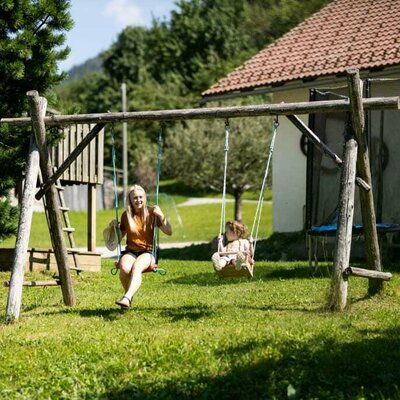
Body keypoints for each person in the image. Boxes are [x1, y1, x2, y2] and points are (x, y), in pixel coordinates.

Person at [115, 184, 172, 309]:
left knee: (136, 267)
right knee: (124, 269)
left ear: (145, 198)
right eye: (135, 198)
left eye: (141, 197)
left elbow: (169, 231)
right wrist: (113, 228)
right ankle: (128, 297)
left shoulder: (152, 213)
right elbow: (117, 239)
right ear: (130, 200)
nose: (138, 200)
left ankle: (127, 297)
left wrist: (161, 215)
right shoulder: (126, 215)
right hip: (130, 251)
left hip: (147, 252)